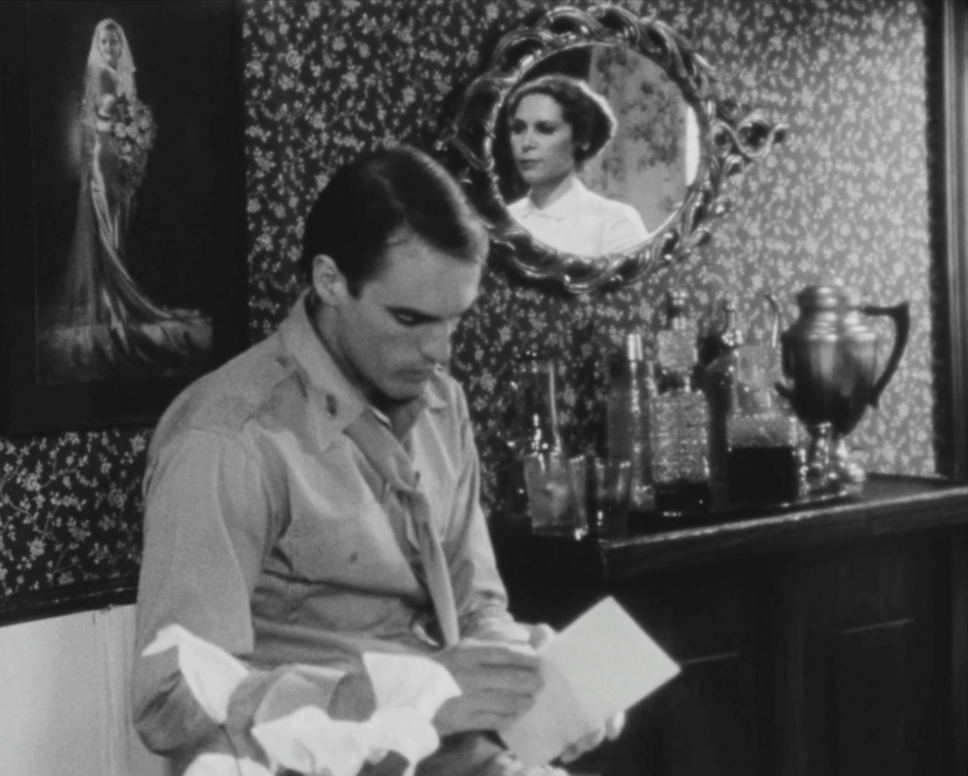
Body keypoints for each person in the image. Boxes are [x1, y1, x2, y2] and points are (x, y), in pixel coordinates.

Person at [131, 146, 624, 775]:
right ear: (331, 281)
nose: (440, 352)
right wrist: (393, 700)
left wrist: (531, 681)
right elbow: (169, 703)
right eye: (411, 319)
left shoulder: (444, 405)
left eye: (456, 321)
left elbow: (478, 611)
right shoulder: (227, 440)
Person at [50, 18, 205, 382]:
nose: (110, 49)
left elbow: (124, 116)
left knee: (120, 217)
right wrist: (122, 124)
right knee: (105, 219)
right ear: (97, 45)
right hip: (103, 157)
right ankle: (108, 300)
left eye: (114, 43)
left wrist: (132, 132)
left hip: (117, 155)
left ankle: (114, 292)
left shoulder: (119, 73)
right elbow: (97, 122)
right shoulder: (99, 73)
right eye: (104, 42)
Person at [506, 74, 648, 258]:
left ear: (582, 139)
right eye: (518, 129)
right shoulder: (502, 221)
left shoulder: (614, 222)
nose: (526, 143)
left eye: (545, 129)